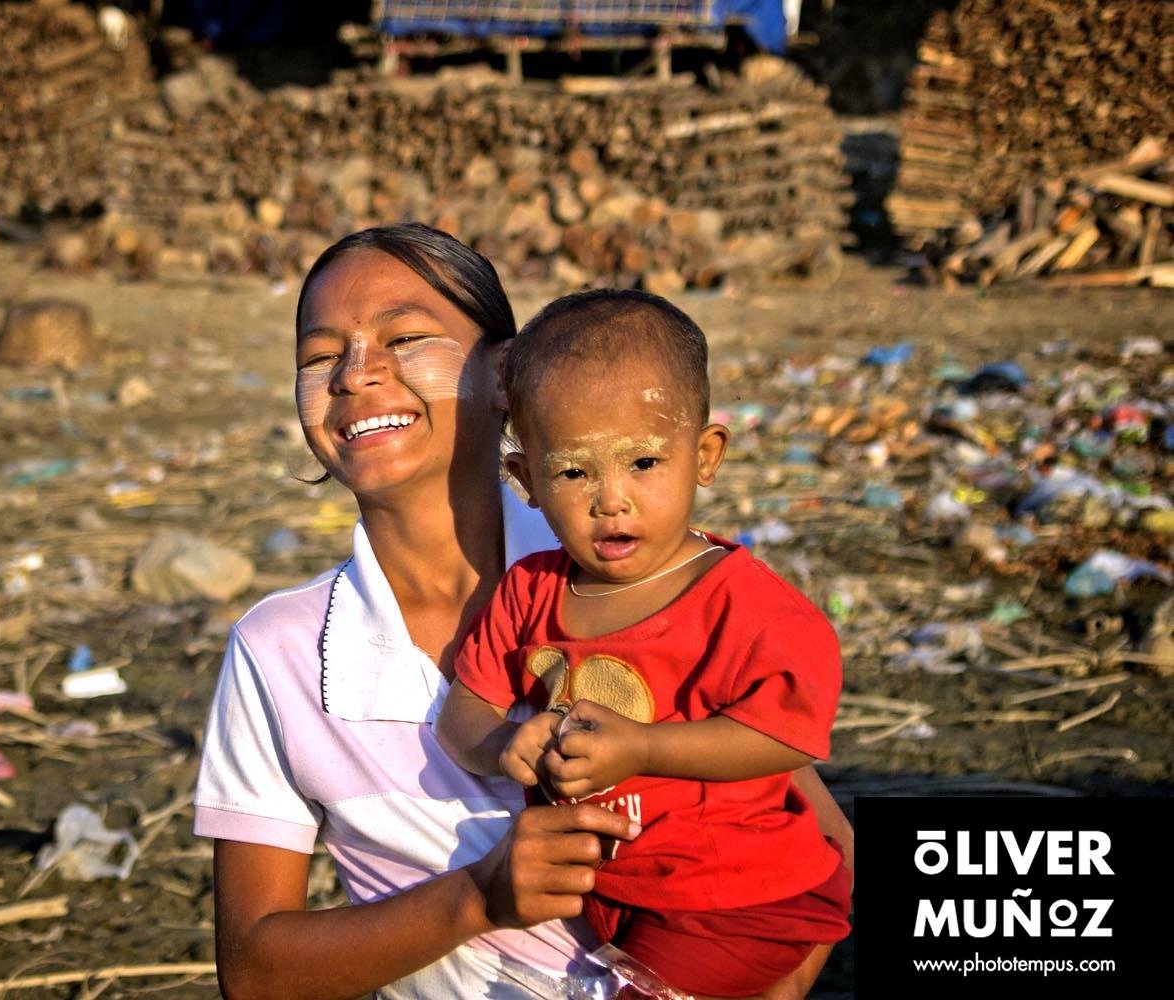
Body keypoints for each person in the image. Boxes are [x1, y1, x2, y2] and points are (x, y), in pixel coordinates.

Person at [192, 223, 853, 1000]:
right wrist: (476, 898)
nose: (355, 374)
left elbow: (818, 840)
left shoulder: (646, 582)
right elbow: (254, 972)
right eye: (318, 356)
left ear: (507, 375)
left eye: (404, 338)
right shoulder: (282, 655)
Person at [436, 288, 852, 997]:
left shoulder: (742, 605)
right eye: (574, 471)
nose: (611, 499)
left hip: (736, 894)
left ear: (705, 456)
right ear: (526, 480)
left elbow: (786, 739)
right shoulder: (529, 591)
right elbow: (463, 714)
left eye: (644, 464)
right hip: (619, 890)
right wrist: (501, 748)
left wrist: (644, 748)